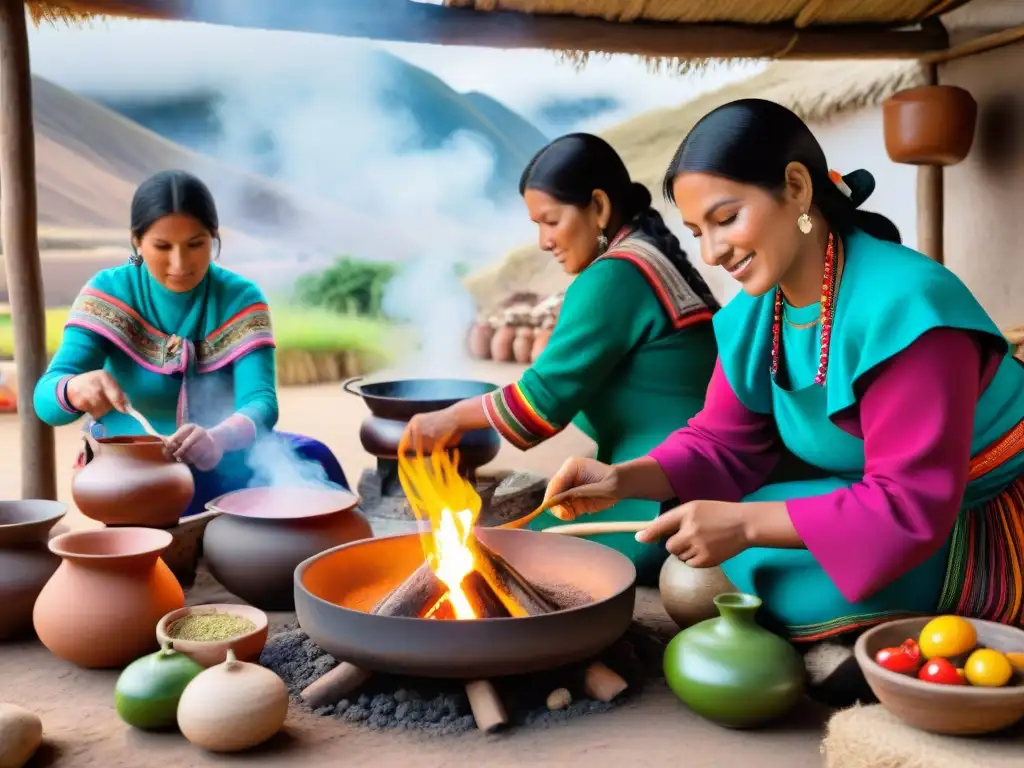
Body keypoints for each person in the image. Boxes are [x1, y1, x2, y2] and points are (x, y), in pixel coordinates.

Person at [541, 99, 1024, 639]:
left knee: (769, 579)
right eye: (698, 231)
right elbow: (719, 441)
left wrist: (745, 525)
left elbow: (910, 504)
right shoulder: (758, 311)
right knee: (711, 564)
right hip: (859, 495)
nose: (713, 252)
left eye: (726, 219)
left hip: (970, 509)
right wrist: (621, 479)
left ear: (796, 187)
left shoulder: (906, 308)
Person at [403, 133, 721, 584]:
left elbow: (541, 402)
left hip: (662, 495)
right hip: (683, 475)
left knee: (511, 553)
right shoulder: (645, 258)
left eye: (550, 221)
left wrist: (450, 418)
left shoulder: (615, 275)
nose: (543, 241)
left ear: (598, 206)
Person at [34, 170, 349, 517]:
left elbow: (261, 403)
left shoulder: (240, 297)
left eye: (196, 244)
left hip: (223, 460)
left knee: (314, 460)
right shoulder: (108, 293)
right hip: (133, 474)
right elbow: (46, 401)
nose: (180, 264)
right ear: (136, 240)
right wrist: (73, 388)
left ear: (214, 237)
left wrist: (218, 438)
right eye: (162, 246)